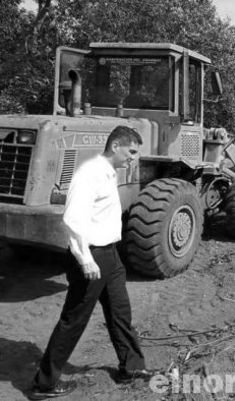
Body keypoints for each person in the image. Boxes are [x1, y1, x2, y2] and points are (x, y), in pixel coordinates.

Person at [29, 126, 153, 400]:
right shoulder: (89, 173)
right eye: (131, 151)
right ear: (115, 146)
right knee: (73, 320)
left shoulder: (109, 173)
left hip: (110, 255)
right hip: (91, 257)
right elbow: (73, 219)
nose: (133, 158)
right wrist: (85, 259)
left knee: (120, 313)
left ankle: (131, 367)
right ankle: (44, 383)